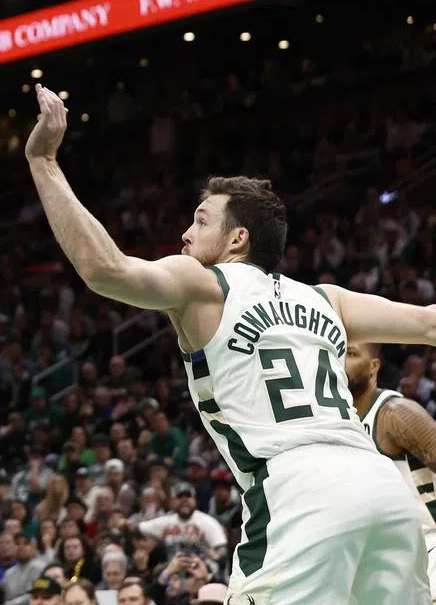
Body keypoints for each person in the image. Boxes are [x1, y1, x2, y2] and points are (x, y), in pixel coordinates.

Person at [24, 84, 434, 604]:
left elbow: (105, 269)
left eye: (200, 221)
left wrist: (43, 162)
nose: (185, 234)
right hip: (383, 490)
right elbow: (428, 323)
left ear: (238, 239)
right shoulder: (326, 298)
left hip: (301, 490)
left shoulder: (205, 285)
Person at [347, 341, 436, 599]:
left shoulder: (396, 413)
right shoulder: (336, 422)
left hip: (427, 551)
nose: (340, 363)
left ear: (374, 366)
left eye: (351, 354)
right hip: (377, 564)